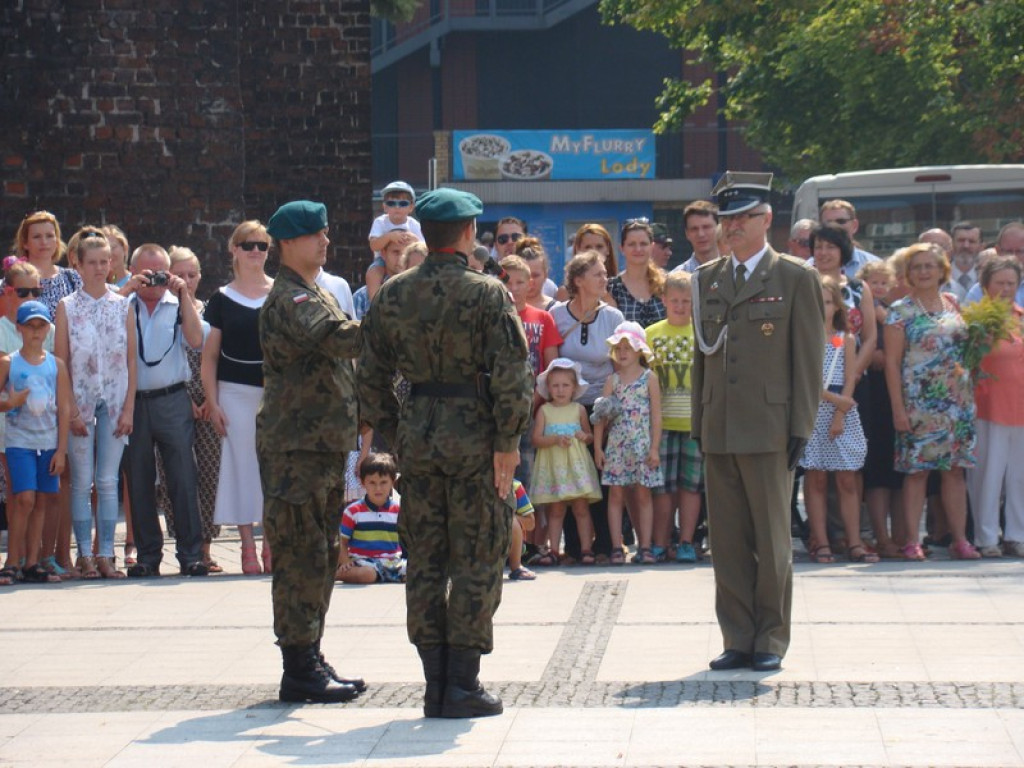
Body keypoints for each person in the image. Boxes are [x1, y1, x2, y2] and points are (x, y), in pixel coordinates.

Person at [357, 187, 532, 719]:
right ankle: (462, 683)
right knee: (478, 555)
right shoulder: (487, 293)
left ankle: (435, 682)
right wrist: (507, 441)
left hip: (420, 436)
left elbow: (370, 377)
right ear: (465, 233)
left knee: (426, 559)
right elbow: (511, 373)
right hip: (477, 439)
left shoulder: (392, 293)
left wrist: (398, 429)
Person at [691, 172, 824, 672]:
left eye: (743, 218)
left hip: (770, 428)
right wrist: (701, 423)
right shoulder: (707, 279)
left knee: (771, 541)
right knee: (726, 541)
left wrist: (801, 427)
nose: (732, 228)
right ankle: (738, 636)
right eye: (727, 219)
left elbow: (807, 360)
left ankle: (770, 637)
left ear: (767, 219)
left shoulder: (794, 277)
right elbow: (705, 357)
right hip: (720, 426)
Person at [258, 200, 364, 704]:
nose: (325, 241)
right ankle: (298, 667)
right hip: (295, 450)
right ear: (287, 243)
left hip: (319, 447)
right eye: (314, 235)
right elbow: (340, 339)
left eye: (325, 233)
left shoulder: (314, 290)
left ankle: (310, 654)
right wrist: (392, 315)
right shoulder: (291, 299)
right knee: (301, 556)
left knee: (321, 555)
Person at [884, 243, 980, 561]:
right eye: (917, 267)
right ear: (908, 273)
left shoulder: (953, 303)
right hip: (918, 406)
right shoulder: (900, 311)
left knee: (954, 471)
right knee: (917, 472)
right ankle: (912, 540)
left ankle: (960, 539)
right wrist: (898, 409)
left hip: (956, 404)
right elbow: (892, 365)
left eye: (930, 266)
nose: (924, 272)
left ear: (942, 270)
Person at [55, 233, 137, 580]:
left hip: (115, 400)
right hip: (81, 403)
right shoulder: (68, 307)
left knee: (107, 481)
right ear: (78, 263)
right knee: (82, 482)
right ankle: (84, 555)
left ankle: (107, 553)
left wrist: (130, 407)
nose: (100, 268)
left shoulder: (123, 304)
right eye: (93, 262)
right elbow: (61, 361)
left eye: (105, 261)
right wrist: (70, 408)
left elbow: (132, 362)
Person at [202, 221, 274, 575]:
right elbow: (209, 357)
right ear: (234, 250)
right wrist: (213, 402)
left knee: (272, 469)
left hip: (275, 395)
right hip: (234, 393)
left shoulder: (280, 292)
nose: (255, 252)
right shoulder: (221, 299)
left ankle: (270, 543)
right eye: (248, 245)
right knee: (242, 467)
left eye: (261, 245)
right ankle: (246, 545)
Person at [550, 251, 625, 562]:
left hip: (603, 405)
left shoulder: (613, 317)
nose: (604, 278)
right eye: (597, 273)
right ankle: (574, 546)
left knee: (600, 473)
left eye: (604, 273)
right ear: (578, 281)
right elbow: (552, 362)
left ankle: (606, 544)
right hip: (566, 404)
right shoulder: (557, 314)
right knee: (568, 473)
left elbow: (621, 365)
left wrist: (607, 408)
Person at [799, 276, 874, 564]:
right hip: (813, 410)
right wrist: (835, 400)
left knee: (847, 479)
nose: (823, 307)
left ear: (837, 306)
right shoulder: (803, 338)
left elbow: (850, 379)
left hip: (841, 415)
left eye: (828, 301)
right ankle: (821, 541)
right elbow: (803, 382)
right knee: (816, 479)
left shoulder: (846, 339)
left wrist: (840, 411)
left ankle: (854, 541)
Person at [157, 246, 222, 572]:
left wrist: (210, 400)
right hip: (175, 399)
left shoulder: (211, 311)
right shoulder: (163, 311)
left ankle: (207, 547)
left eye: (191, 275)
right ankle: (186, 543)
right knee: (177, 477)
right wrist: (187, 400)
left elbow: (217, 360)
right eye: (179, 275)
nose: (185, 280)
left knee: (210, 475)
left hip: (209, 401)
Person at [0, 301, 71, 584]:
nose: (35, 331)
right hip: (19, 441)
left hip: (48, 441)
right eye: (30, 326)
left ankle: (32, 562)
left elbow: (64, 407)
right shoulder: (9, 362)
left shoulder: (56, 364)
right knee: (24, 498)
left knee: (43, 500)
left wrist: (62, 450)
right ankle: (11, 561)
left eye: (41, 325)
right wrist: (9, 402)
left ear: (48, 329)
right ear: (19, 328)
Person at [967, 256, 1024, 557]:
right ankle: (986, 537)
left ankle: (1017, 534)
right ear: (986, 285)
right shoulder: (974, 320)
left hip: (1021, 408)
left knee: (1020, 475)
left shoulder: (1021, 315)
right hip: (987, 406)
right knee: (987, 475)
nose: (1005, 288)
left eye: (1011, 283)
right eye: (999, 283)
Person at [593, 321, 663, 565]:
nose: (623, 353)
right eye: (619, 348)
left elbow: (656, 415)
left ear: (639, 351)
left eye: (628, 348)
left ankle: (645, 546)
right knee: (615, 495)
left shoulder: (649, 378)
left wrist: (654, 447)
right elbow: (602, 414)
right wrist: (598, 447)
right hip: (617, 446)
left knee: (643, 495)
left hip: (642, 445)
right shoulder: (612, 380)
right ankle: (616, 545)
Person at [647, 271, 702, 564]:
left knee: (690, 487)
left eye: (686, 301)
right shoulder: (652, 334)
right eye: (675, 300)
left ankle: (686, 541)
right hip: (662, 424)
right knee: (662, 488)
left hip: (694, 424)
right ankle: (659, 541)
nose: (680, 306)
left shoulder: (701, 334)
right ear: (664, 299)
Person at [529, 358, 600, 565]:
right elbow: (535, 439)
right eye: (555, 386)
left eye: (565, 385)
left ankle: (586, 548)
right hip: (554, 467)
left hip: (576, 467)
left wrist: (584, 437)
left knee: (581, 508)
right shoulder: (544, 410)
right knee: (556, 509)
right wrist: (554, 439)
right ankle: (553, 549)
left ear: (574, 388)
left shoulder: (578, 409)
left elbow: (590, 435)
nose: (560, 390)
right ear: (548, 388)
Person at [856, 259, 904, 559]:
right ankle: (881, 536)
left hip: (894, 396)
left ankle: (901, 537)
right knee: (876, 470)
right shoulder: (858, 313)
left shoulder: (895, 312)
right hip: (868, 395)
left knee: (898, 470)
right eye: (873, 282)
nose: (879, 287)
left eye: (883, 282)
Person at [336, 453, 405, 584]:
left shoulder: (398, 511)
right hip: (364, 563)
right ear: (363, 482)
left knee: (415, 572)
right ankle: (338, 575)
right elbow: (341, 541)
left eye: (383, 482)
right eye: (372, 482)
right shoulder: (353, 511)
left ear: (393, 482)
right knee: (367, 575)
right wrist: (345, 562)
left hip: (394, 563)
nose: (378, 488)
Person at [367, 180, 422, 301]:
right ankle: (374, 303)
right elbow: (374, 245)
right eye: (391, 203)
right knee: (373, 272)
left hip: (410, 260)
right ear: (384, 206)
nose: (397, 207)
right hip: (383, 260)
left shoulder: (415, 225)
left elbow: (424, 249)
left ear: (411, 207)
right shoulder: (380, 222)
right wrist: (389, 237)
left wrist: (414, 239)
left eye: (402, 203)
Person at [606, 219, 666, 328]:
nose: (638, 249)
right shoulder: (612, 288)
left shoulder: (666, 284)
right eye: (631, 244)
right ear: (622, 249)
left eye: (643, 244)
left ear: (652, 247)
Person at [818, 199, 879, 278]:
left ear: (854, 225)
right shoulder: (808, 269)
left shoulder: (874, 265)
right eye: (828, 223)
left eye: (841, 221)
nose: (835, 227)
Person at [674, 201, 720, 273]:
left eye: (706, 227)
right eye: (694, 229)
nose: (701, 234)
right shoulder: (677, 277)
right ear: (687, 234)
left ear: (719, 228)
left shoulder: (735, 272)